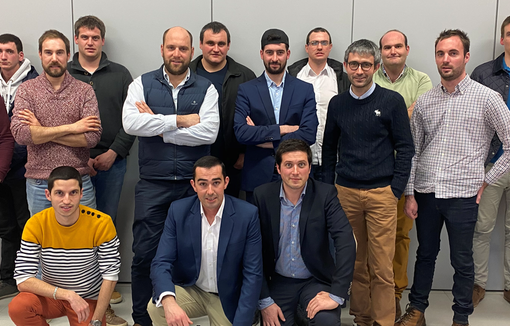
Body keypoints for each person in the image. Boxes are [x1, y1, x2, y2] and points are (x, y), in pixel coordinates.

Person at [397, 29, 510, 326]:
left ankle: (461, 317)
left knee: (462, 260)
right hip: (426, 192)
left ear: (466, 57)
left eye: (453, 53)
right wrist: (410, 193)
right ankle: (417, 311)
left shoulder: (488, 98)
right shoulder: (425, 101)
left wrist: (487, 179)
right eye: (440, 54)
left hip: (464, 194)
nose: (446, 60)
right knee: (425, 255)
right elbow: (413, 151)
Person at [122, 26, 219, 326]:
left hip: (194, 187)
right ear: (162, 49)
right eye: (171, 47)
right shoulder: (142, 83)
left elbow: (208, 132)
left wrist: (158, 125)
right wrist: (179, 120)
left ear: (192, 51)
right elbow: (130, 124)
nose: (177, 54)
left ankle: (177, 313)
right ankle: (142, 318)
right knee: (144, 253)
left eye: (183, 48)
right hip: (153, 184)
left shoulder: (207, 88)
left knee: (191, 252)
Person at [322, 39, 414, 326]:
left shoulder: (391, 101)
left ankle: (384, 320)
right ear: (346, 66)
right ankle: (362, 318)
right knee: (355, 263)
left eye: (365, 65)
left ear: (375, 66)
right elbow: (328, 150)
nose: (359, 70)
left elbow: (406, 147)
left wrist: (395, 189)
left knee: (382, 266)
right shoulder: (337, 103)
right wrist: (329, 190)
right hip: (346, 193)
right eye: (353, 64)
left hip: (381, 195)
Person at [68, 15, 134, 325]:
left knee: (105, 227)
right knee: (74, 228)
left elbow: (131, 119)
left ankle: (103, 290)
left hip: (112, 161)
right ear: (77, 40)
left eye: (95, 37)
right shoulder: (64, 73)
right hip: (72, 165)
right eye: (84, 36)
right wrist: (81, 158)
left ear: (102, 40)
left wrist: (113, 152)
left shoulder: (120, 74)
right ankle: (76, 289)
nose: (90, 41)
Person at [147, 156, 262, 326]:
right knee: (157, 307)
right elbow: (161, 262)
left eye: (216, 182)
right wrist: (169, 301)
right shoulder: (178, 211)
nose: (210, 191)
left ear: (226, 182)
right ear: (193, 185)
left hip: (228, 297)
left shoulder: (247, 215)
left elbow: (253, 274)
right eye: (203, 184)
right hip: (194, 290)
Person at [253, 139, 356, 326]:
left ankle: (303, 314)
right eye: (288, 165)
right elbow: (252, 253)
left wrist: (337, 294)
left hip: (315, 280)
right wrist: (264, 300)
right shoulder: (262, 196)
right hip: (279, 282)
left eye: (301, 165)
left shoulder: (326, 195)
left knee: (327, 322)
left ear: (309, 168)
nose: (295, 171)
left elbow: (346, 241)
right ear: (278, 168)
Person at [8, 166, 120, 326]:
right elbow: (23, 279)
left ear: (81, 193)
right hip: (53, 296)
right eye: (59, 193)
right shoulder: (35, 224)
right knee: (19, 307)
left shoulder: (102, 223)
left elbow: (110, 276)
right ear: (48, 195)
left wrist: (96, 320)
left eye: (73, 192)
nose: (66, 200)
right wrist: (67, 294)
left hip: (87, 298)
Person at [373, 29, 433, 320]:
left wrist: (380, 115)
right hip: (371, 171)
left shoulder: (422, 80)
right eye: (387, 47)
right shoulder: (370, 77)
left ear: (407, 49)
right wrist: (400, 113)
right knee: (370, 238)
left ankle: (395, 294)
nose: (393, 51)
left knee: (400, 236)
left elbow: (420, 117)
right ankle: (375, 293)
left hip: (404, 173)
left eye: (398, 46)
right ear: (380, 51)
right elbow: (364, 119)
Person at [10, 29, 101, 216]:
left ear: (68, 55)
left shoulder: (84, 91)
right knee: (43, 243)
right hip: (39, 184)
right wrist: (73, 128)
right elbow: (22, 135)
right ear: (40, 54)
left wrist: (40, 131)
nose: (54, 58)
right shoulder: (27, 90)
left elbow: (92, 138)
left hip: (78, 182)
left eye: (59, 52)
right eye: (48, 52)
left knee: (84, 242)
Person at [234, 29, 318, 203]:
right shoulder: (246, 90)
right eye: (269, 53)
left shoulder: (304, 90)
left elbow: (308, 134)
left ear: (287, 54)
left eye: (280, 53)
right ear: (261, 54)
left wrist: (263, 139)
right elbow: (241, 133)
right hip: (257, 176)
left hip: (294, 175)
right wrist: (283, 129)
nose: (274, 58)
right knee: (257, 228)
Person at [470, 16, 510, 308]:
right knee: (482, 228)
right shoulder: (484, 73)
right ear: (502, 38)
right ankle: (478, 283)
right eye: (509, 33)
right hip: (493, 164)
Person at [189, 22, 256, 197]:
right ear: (201, 45)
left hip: (232, 162)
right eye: (210, 43)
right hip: (192, 159)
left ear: (228, 46)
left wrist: (244, 154)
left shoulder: (245, 76)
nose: (216, 48)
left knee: (229, 213)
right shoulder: (187, 74)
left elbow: (255, 119)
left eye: (221, 44)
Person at [0, 33, 38, 299]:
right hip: (1, 167)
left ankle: (31, 279)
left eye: (9, 51)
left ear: (20, 55)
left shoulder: (34, 83)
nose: (3, 56)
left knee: (28, 223)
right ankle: (7, 277)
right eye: (0, 51)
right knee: (6, 225)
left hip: (26, 165)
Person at [288, 27, 350, 181]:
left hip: (332, 158)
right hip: (299, 157)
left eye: (324, 42)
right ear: (307, 48)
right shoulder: (294, 77)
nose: (320, 47)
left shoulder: (342, 79)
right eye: (314, 43)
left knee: (327, 202)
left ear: (330, 47)